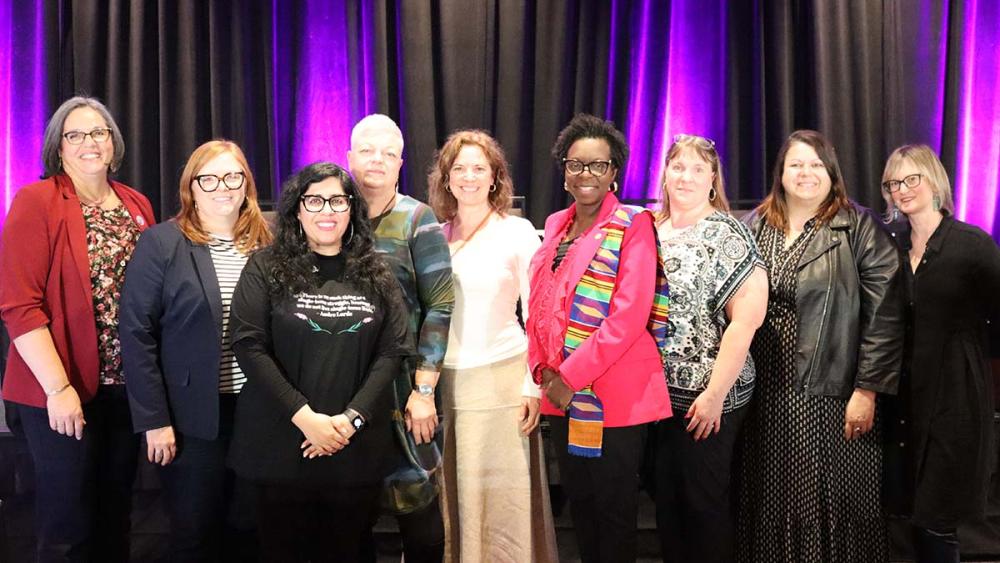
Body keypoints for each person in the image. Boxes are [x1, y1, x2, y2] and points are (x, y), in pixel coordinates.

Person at [225, 162, 410, 561]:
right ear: (296, 210)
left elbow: (393, 350)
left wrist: (351, 419)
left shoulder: (377, 271)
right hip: (278, 449)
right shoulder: (265, 266)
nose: (327, 211)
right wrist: (305, 417)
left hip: (354, 451)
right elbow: (248, 344)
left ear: (352, 210)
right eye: (315, 200)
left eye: (337, 201)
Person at [0, 96, 156, 562]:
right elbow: (19, 306)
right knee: (67, 524)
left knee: (116, 516)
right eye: (76, 135)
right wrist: (59, 387)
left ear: (113, 142)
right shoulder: (37, 201)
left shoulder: (136, 204)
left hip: (123, 389)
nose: (90, 143)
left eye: (99, 133)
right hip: (59, 392)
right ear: (59, 148)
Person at [737, 129, 904, 562]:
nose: (805, 173)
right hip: (763, 394)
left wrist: (867, 390)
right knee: (770, 497)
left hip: (832, 396)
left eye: (815, 164)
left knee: (825, 503)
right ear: (781, 173)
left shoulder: (859, 227)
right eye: (796, 164)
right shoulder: (755, 225)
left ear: (832, 172)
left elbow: (884, 318)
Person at [526, 113, 672, 563]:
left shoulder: (634, 225)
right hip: (560, 393)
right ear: (564, 170)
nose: (585, 174)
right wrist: (542, 370)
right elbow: (538, 304)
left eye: (597, 165)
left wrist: (568, 376)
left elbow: (629, 317)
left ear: (614, 173)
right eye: (576, 165)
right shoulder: (554, 226)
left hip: (614, 396)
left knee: (612, 515)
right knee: (581, 510)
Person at [119, 140, 272, 561]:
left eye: (233, 176)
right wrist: (154, 419)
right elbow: (136, 332)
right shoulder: (162, 243)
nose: (222, 187)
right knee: (195, 533)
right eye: (210, 178)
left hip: (259, 414)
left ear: (246, 184)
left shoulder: (269, 242)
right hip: (191, 420)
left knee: (251, 530)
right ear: (192, 187)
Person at [427, 129, 558, 562]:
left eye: (478, 168)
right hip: (446, 385)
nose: (468, 177)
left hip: (504, 382)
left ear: (495, 177)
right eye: (459, 169)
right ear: (445, 179)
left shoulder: (517, 232)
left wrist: (532, 386)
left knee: (506, 506)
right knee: (452, 499)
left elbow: (539, 314)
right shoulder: (432, 235)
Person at [880, 144, 1000, 563]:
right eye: (894, 183)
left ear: (934, 181)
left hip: (955, 399)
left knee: (937, 517)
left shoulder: (972, 244)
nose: (902, 189)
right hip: (901, 402)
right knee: (905, 516)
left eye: (912, 178)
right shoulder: (888, 247)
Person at [652, 134, 768, 563]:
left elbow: (747, 318)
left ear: (713, 180)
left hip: (710, 395)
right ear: (664, 174)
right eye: (678, 167)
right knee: (669, 506)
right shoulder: (651, 228)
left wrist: (715, 396)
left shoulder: (726, 232)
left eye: (698, 169)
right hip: (657, 398)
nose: (686, 177)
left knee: (703, 506)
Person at [347, 114, 453, 562]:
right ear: (350, 157)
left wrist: (425, 389)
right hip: (343, 390)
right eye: (368, 150)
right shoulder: (328, 216)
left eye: (388, 153)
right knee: (351, 520)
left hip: (405, 389)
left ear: (400, 164)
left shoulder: (417, 219)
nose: (377, 160)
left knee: (420, 516)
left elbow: (441, 305)